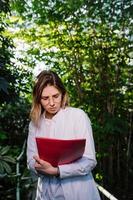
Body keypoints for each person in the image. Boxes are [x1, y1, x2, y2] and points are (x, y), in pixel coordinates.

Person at [27, 70, 101, 200]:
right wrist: (39, 167)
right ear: (38, 99)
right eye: (45, 98)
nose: (51, 103)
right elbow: (30, 161)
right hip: (46, 193)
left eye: (56, 96)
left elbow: (90, 160)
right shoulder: (35, 123)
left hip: (79, 192)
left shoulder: (78, 116)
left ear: (63, 94)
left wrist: (57, 171)